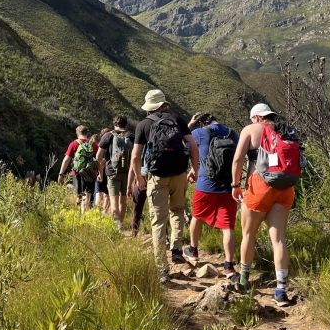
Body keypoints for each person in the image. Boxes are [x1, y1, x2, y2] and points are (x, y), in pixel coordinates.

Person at [231, 103, 301, 306]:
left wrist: (235, 185)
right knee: (278, 239)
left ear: (256, 117)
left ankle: (244, 279)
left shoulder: (251, 129)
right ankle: (281, 290)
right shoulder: (286, 128)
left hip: (259, 186)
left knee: (248, 234)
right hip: (285, 188)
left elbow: (237, 160)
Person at [128, 89, 199, 283]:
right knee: (177, 210)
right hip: (179, 174)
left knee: (158, 221)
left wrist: (138, 177)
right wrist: (195, 170)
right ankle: (176, 248)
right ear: (164, 104)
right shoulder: (178, 120)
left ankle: (162, 269)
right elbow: (193, 146)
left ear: (151, 107)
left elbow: (135, 156)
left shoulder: (143, 125)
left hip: (157, 176)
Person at [183, 114, 240, 282]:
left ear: (201, 122)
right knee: (227, 226)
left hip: (205, 184)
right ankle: (229, 266)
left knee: (197, 216)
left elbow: (182, 143)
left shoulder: (199, 132)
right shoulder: (232, 134)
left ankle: (193, 250)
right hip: (228, 186)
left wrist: (190, 125)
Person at [97, 116, 133, 232]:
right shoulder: (131, 136)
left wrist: (104, 162)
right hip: (127, 172)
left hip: (112, 172)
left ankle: (118, 228)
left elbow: (98, 156)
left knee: (114, 202)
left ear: (114, 124)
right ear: (125, 124)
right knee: (123, 201)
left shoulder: (108, 136)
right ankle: (121, 224)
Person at [57, 125, 99, 214]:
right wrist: (99, 173)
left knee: (80, 195)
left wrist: (61, 174)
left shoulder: (74, 144)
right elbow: (99, 160)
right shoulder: (94, 144)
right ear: (87, 133)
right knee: (88, 195)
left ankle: (81, 216)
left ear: (77, 133)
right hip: (90, 174)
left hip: (77, 174)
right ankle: (86, 215)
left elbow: (66, 160)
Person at [93, 128, 110, 212]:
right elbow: (102, 162)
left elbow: (100, 162)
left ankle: (97, 213)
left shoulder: (99, 146)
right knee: (107, 194)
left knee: (98, 193)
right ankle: (104, 213)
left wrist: (100, 174)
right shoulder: (111, 146)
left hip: (100, 173)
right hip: (109, 173)